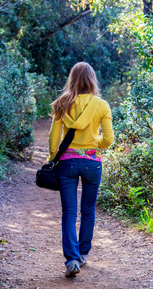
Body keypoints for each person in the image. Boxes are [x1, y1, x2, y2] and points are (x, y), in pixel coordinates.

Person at [48, 62, 114, 277]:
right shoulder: (102, 105)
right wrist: (95, 145)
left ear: (72, 79)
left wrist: (53, 158)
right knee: (88, 211)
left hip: (67, 164)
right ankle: (83, 254)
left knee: (69, 212)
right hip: (93, 164)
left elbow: (53, 138)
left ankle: (72, 260)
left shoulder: (61, 104)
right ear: (92, 79)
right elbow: (108, 140)